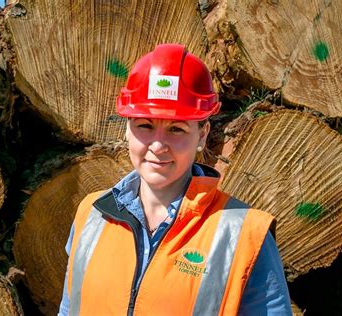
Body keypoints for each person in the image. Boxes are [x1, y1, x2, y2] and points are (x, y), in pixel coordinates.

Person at [58, 44, 291, 315]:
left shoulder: (244, 234)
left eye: (176, 129)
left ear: (202, 134)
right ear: (127, 129)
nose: (158, 145)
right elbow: (68, 308)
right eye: (145, 125)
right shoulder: (91, 215)